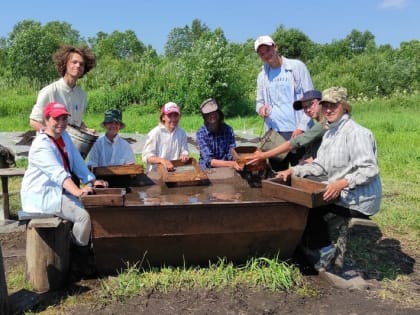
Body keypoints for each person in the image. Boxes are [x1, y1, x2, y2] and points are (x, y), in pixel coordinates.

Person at [276, 87, 382, 270]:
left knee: (309, 205)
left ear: (344, 108)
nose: (329, 110)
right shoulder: (331, 133)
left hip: (361, 198)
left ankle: (324, 252)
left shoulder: (356, 133)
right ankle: (312, 244)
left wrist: (341, 183)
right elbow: (320, 166)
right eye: (326, 106)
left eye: (334, 105)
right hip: (342, 191)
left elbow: (369, 169)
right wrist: (293, 171)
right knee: (303, 196)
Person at [21, 101, 108, 249]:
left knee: (92, 207)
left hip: (59, 191)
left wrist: (92, 180)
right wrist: (78, 192)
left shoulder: (64, 136)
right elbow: (58, 174)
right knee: (83, 216)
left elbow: (77, 160)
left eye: (64, 119)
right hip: (42, 195)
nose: (61, 123)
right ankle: (77, 255)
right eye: (56, 119)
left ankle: (84, 248)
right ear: (46, 120)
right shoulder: (41, 145)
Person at [255, 35, 314, 171]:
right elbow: (259, 102)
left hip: (297, 131)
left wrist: (302, 127)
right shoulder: (262, 76)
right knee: (279, 174)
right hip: (275, 134)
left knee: (302, 172)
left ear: (275, 47)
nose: (266, 55)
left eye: (268, 50)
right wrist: (261, 109)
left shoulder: (297, 67)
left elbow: (310, 99)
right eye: (262, 53)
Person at [246, 90, 325, 166]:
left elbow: (293, 143)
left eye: (311, 104)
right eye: (304, 107)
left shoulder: (324, 124)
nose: (308, 109)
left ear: (321, 102)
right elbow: (316, 157)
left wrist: (263, 155)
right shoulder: (320, 124)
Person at [29, 45, 97, 132]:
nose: (78, 65)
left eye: (81, 64)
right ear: (65, 64)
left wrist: (86, 130)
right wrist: (52, 137)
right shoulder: (50, 91)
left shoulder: (82, 95)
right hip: (50, 143)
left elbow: (77, 123)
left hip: (71, 144)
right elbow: (34, 121)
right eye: (74, 62)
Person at [142, 102, 189, 172]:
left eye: (176, 116)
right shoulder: (155, 133)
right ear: (163, 117)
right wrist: (162, 161)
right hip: (155, 173)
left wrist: (184, 155)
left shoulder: (182, 133)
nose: (173, 119)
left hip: (175, 171)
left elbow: (184, 151)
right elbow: (147, 157)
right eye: (170, 116)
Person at [196, 98, 242, 170]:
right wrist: (231, 164)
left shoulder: (228, 130)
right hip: (208, 169)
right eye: (208, 114)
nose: (212, 115)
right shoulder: (201, 133)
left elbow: (231, 152)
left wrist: (239, 159)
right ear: (204, 117)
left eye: (214, 112)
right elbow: (209, 161)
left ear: (218, 113)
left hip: (227, 167)